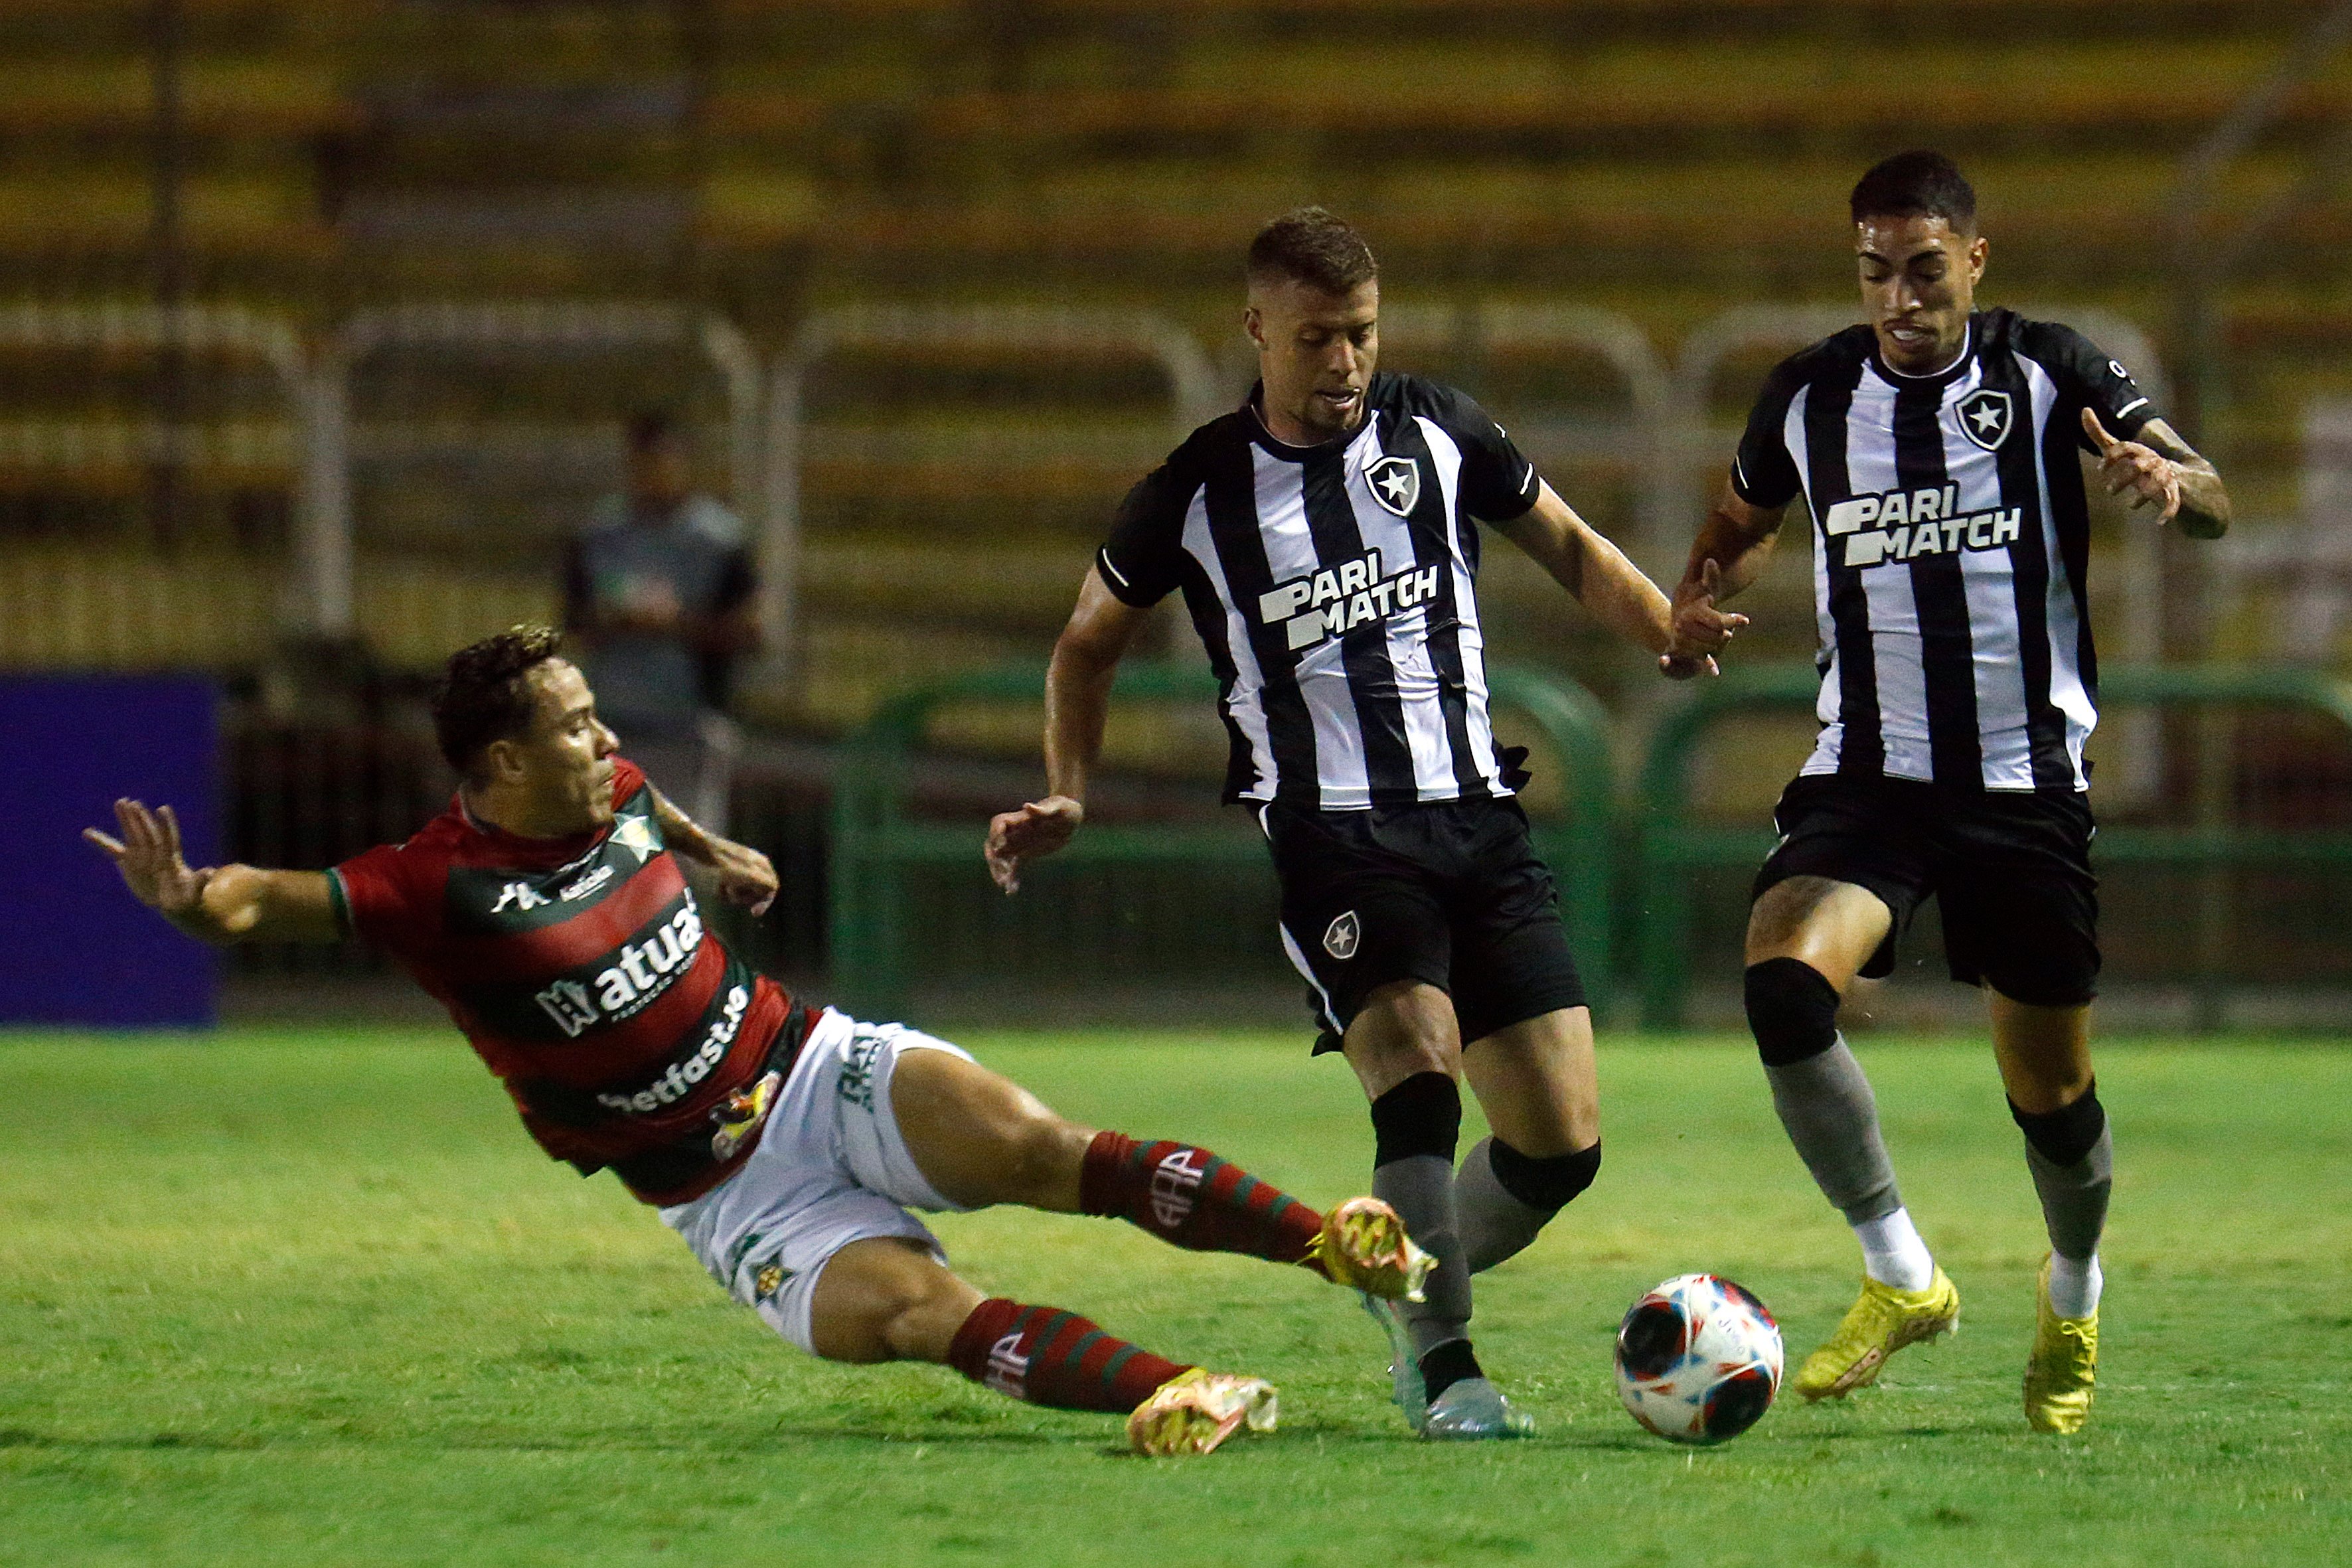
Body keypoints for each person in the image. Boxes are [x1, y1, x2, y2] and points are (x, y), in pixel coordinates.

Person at [84, 625, 1435, 1458]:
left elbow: (643, 800)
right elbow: (278, 898)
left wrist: (717, 846)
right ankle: (1184, 1390)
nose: (603, 738)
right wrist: (192, 899)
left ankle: (1338, 1244)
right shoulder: (437, 885)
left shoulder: (607, 782)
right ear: (497, 764)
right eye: (571, 724)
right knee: (910, 1316)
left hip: (805, 1064)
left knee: (1038, 1146)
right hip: (722, 1192)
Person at [984, 208, 1737, 1439]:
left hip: (1477, 816)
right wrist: (1069, 785)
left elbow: (1563, 540)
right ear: (1257, 332)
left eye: (1362, 335)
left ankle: (1395, 1281)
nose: (1344, 363)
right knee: (1417, 1065)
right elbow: (1082, 649)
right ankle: (1446, 1371)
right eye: (1318, 338)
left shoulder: (1435, 428)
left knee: (1558, 1145)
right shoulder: (1193, 490)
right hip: (1333, 836)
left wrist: (1661, 622)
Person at [1672, 151, 2232, 1434]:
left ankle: (2073, 1291)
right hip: (1867, 775)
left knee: (2049, 1094)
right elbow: (1741, 515)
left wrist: (2170, 486)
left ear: (1972, 263)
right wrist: (1698, 585)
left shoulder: (2048, 373)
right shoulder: (1808, 395)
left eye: (1923, 270)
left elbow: (2208, 491)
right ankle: (1900, 1273)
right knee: (1777, 980)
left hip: (2020, 782)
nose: (1899, 298)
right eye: (1875, 272)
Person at [563, 411, 758, 833]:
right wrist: (618, 622)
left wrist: (676, 625)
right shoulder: (600, 536)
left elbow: (749, 629)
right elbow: (574, 623)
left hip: (686, 725)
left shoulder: (719, 541)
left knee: (682, 863)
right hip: (614, 723)